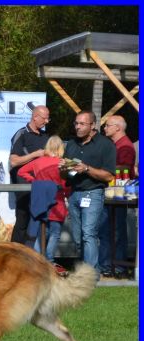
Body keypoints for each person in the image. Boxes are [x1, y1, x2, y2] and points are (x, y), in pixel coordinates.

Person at [61, 111, 116, 277]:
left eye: (82, 124)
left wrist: (86, 169)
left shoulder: (106, 144)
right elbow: (64, 175)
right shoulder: (71, 144)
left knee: (89, 234)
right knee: (78, 237)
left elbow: (109, 176)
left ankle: (90, 274)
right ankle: (85, 270)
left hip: (93, 193)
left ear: (92, 125)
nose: (77, 127)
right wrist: (63, 168)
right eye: (76, 123)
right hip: (74, 193)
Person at [17, 136, 70, 272]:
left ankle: (38, 261)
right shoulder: (63, 163)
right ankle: (49, 260)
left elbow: (21, 171)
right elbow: (66, 185)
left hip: (40, 202)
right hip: (57, 202)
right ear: (61, 148)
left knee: (41, 233)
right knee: (55, 233)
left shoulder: (38, 161)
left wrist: (34, 181)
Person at [98, 116, 136, 276]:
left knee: (115, 230)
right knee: (108, 230)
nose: (105, 128)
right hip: (112, 192)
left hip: (118, 193)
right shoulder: (116, 145)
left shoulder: (125, 146)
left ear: (118, 128)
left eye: (107, 125)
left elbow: (123, 169)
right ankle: (108, 266)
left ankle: (116, 267)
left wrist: (101, 169)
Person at [9, 105, 50, 244]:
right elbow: (13, 161)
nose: (46, 121)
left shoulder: (46, 137)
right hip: (24, 186)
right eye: (44, 118)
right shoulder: (21, 134)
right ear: (35, 117)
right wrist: (35, 155)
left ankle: (35, 254)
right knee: (23, 220)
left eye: (48, 119)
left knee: (40, 222)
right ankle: (14, 252)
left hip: (42, 185)